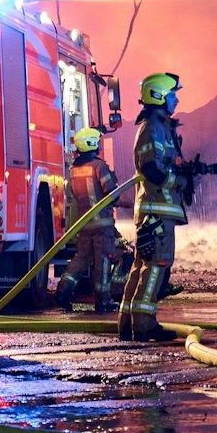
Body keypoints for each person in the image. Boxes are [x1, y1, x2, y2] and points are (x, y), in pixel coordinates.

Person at [119, 72, 187, 342]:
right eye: (172, 95)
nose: (176, 99)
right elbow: (150, 168)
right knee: (156, 266)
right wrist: (178, 180)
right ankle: (144, 324)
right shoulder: (153, 127)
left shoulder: (158, 125)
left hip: (154, 210)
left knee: (142, 266)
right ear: (159, 96)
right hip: (156, 210)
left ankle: (128, 324)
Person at [56, 127, 119, 314]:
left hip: (85, 225)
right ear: (91, 144)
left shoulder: (74, 169)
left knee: (81, 259)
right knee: (104, 262)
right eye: (97, 141)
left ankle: (63, 292)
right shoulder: (99, 166)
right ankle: (103, 301)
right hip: (102, 226)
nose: (99, 145)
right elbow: (111, 193)